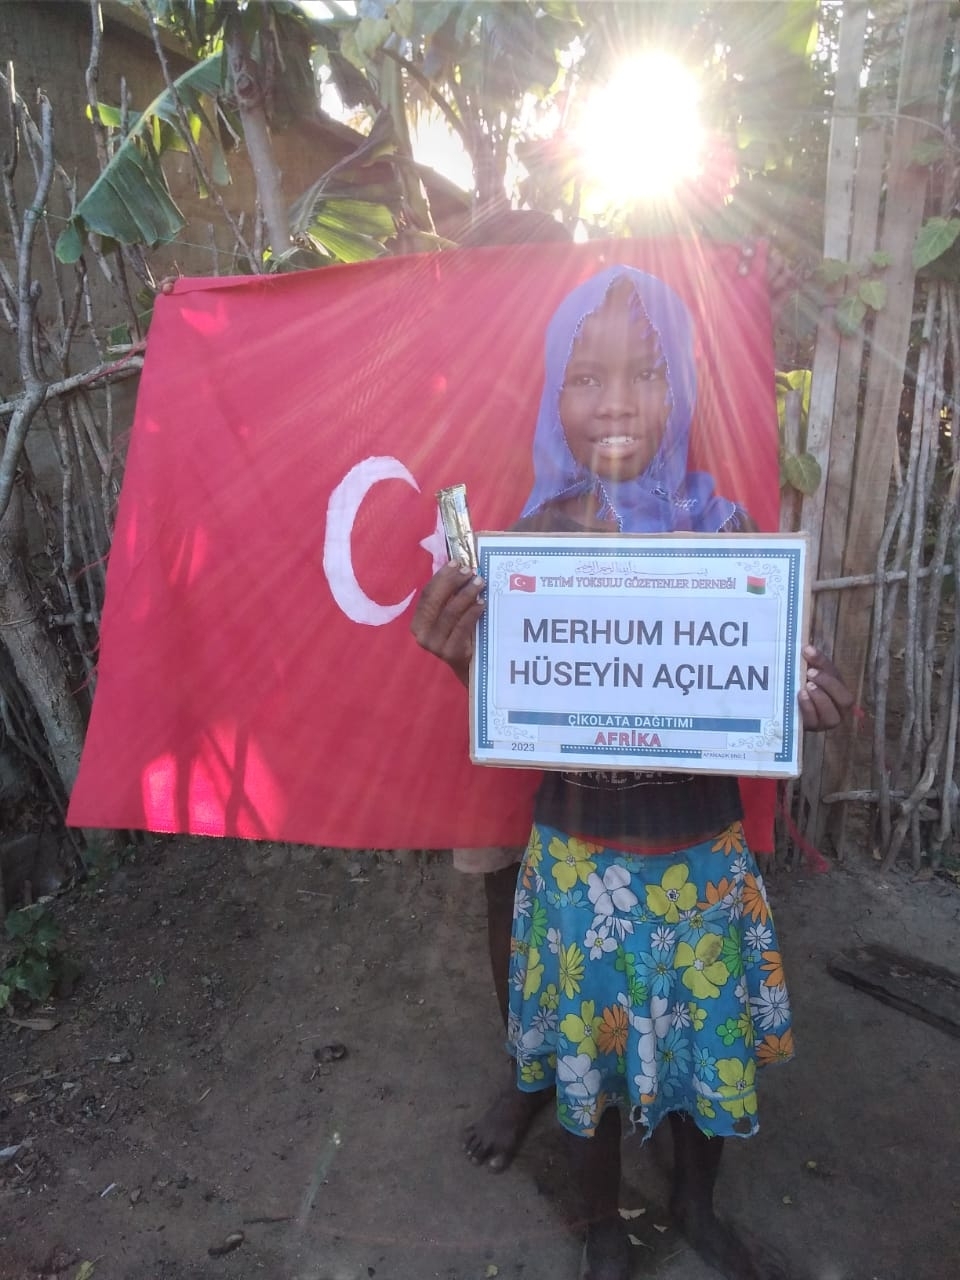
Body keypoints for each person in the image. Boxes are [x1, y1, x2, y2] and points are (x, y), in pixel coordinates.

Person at [412, 264, 851, 1280]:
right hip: (579, 867)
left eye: (646, 373)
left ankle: (695, 1203)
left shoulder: (727, 536)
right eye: (586, 377)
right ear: (553, 398)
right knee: (589, 1061)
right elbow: (517, 699)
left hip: (700, 862)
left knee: (703, 1047)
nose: (615, 401)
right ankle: (601, 1225)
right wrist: (464, 657)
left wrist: (807, 688)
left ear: (680, 388)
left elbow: (773, 677)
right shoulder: (529, 548)